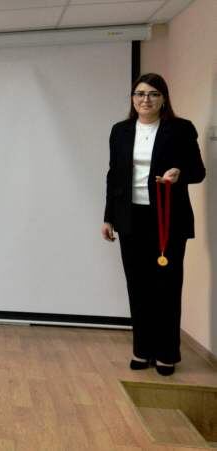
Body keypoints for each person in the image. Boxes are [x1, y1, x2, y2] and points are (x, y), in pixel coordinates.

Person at [102, 73, 205, 376]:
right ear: (133, 99)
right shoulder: (120, 131)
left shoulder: (180, 129)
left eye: (153, 94)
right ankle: (142, 349)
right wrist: (108, 217)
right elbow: (114, 175)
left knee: (167, 288)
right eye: (140, 94)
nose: (145, 99)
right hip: (130, 217)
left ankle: (167, 353)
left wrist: (178, 174)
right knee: (138, 287)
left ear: (163, 99)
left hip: (167, 218)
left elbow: (198, 171)